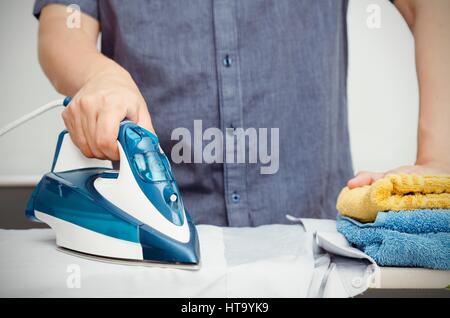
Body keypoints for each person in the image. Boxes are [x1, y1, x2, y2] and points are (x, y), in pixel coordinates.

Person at [33, 0, 450, 226]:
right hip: (151, 249)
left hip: (311, 240)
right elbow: (63, 26)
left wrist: (435, 160)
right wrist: (101, 76)